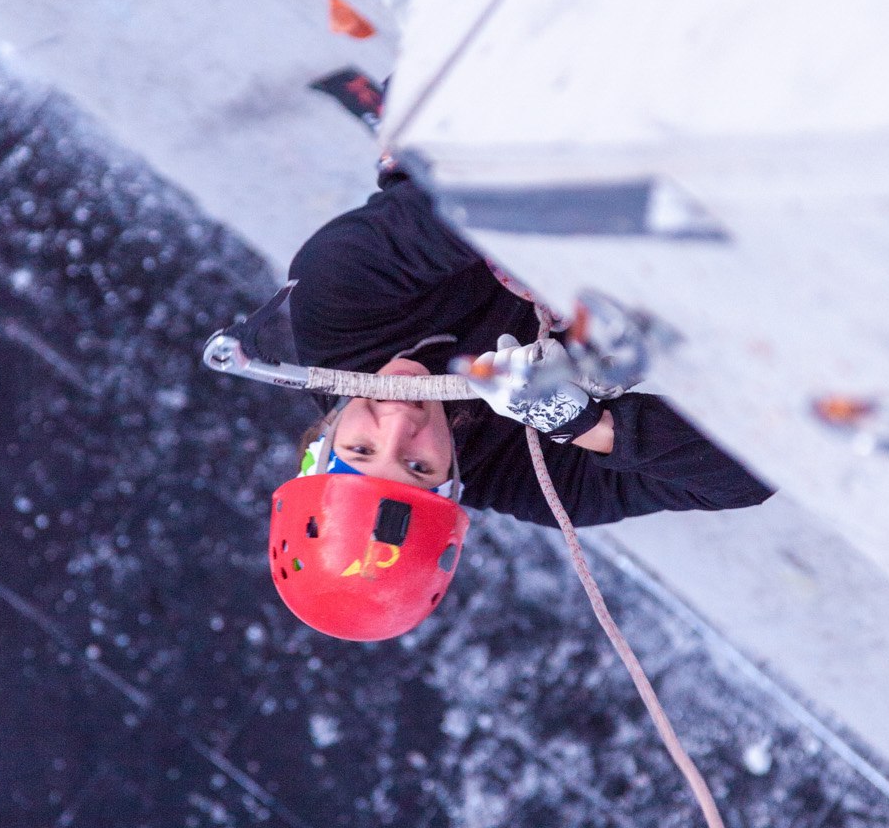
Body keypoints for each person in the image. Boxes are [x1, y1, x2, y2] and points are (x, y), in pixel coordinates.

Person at [252, 167, 771, 640]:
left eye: (362, 448)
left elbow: (495, 187)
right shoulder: (524, 478)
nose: (397, 422)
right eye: (417, 464)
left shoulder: (334, 301)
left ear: (320, 444)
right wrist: (588, 425)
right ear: (450, 484)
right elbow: (748, 476)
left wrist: (530, 260)